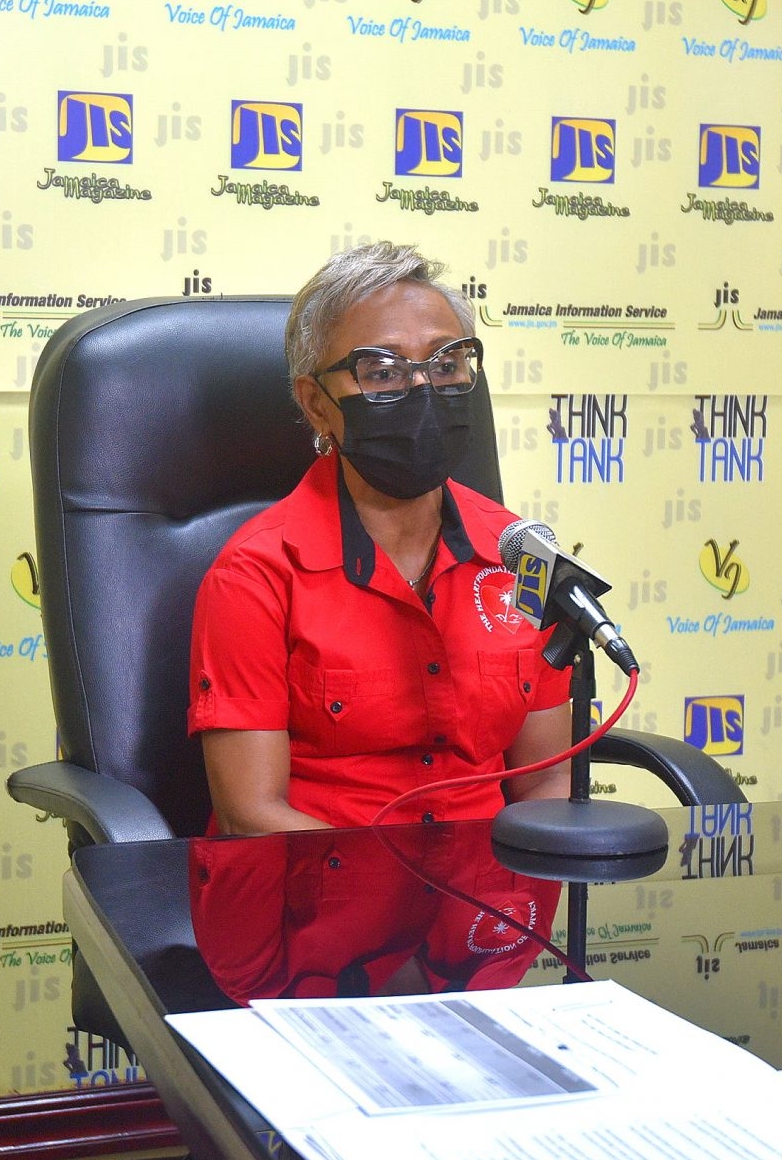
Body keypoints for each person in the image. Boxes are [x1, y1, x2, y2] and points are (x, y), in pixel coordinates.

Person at [188, 242, 575, 839]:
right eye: (383, 372)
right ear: (318, 405)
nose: (424, 390)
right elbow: (251, 813)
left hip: (486, 908)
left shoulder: (518, 553)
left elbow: (546, 778)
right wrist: (399, 894)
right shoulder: (256, 574)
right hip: (324, 898)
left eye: (448, 364)